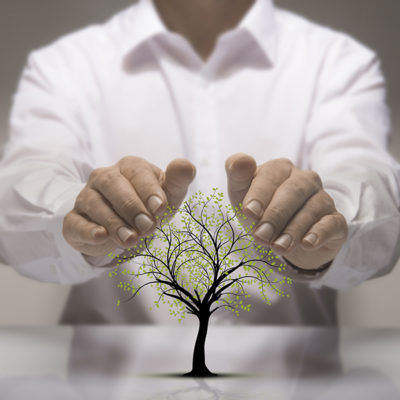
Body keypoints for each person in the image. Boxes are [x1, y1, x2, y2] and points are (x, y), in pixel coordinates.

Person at [0, 0, 399, 325]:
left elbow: (371, 184)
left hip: (297, 380)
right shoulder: (66, 64)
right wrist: (79, 212)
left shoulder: (337, 62)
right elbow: (18, 194)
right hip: (104, 383)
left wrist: (328, 221)